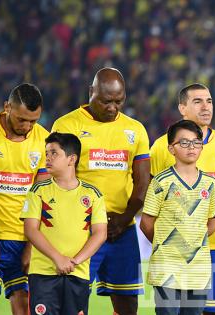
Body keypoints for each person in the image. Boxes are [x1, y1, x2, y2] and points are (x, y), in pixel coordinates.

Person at [52, 67, 150, 315]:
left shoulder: (135, 129)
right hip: (80, 229)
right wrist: (90, 220)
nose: (113, 108)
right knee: (73, 301)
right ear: (91, 92)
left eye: (119, 101)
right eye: (106, 101)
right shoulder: (66, 125)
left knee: (128, 303)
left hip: (121, 229)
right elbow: (58, 179)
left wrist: (125, 218)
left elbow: (142, 181)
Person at [150, 83, 215, 315]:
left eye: (209, 101)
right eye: (198, 101)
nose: (206, 107)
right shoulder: (160, 148)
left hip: (214, 245)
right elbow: (153, 197)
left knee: (214, 311)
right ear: (182, 108)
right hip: (176, 251)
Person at [21, 132, 107, 315]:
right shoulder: (38, 190)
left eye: (54, 153)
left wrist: (75, 261)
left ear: (71, 159)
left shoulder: (93, 194)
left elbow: (100, 234)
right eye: (47, 153)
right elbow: (30, 229)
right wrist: (58, 258)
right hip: (43, 273)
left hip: (78, 273)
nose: (48, 158)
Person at [141, 120, 215, 315]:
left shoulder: (211, 185)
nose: (191, 147)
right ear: (171, 148)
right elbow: (146, 224)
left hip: (198, 269)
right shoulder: (161, 181)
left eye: (196, 142)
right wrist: (166, 245)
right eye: (184, 143)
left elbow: (211, 225)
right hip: (166, 266)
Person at [0, 83, 49, 315]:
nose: (28, 126)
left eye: (33, 120)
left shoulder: (43, 139)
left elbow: (41, 194)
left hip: (23, 238)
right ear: (7, 108)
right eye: (22, 119)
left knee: (24, 307)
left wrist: (32, 246)